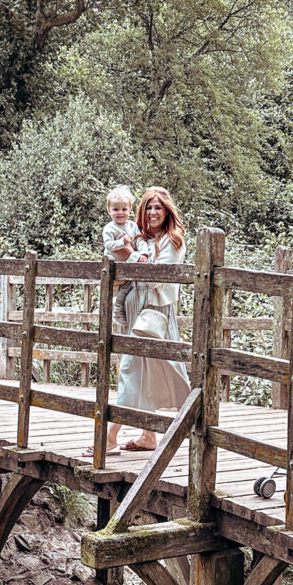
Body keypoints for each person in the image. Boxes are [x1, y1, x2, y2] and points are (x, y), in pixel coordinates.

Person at [91, 186, 191, 455]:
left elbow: (159, 276)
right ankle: (148, 435)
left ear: (166, 210)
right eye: (148, 207)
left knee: (138, 368)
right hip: (136, 307)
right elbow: (116, 262)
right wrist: (125, 273)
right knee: (142, 370)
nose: (153, 212)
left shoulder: (174, 240)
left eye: (158, 207)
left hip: (155, 312)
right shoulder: (139, 236)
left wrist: (132, 269)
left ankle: (110, 436)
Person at [102, 185, 138, 330]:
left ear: (130, 209)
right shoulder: (109, 228)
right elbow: (109, 245)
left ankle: (121, 309)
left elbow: (139, 240)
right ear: (109, 210)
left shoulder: (133, 226)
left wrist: (143, 253)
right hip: (114, 263)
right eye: (115, 209)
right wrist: (122, 242)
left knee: (129, 286)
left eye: (124, 209)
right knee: (119, 288)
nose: (120, 213)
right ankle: (117, 309)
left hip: (128, 263)